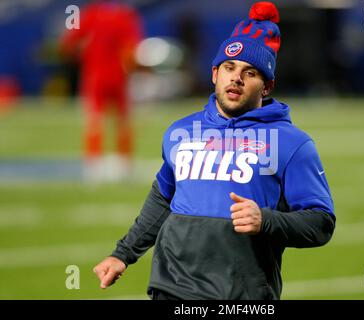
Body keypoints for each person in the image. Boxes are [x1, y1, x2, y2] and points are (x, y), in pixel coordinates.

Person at [93, 1, 335, 300]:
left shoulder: (292, 144)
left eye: (250, 72)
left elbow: (321, 223)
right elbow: (163, 197)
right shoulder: (180, 132)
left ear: (267, 86)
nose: (236, 77)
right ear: (214, 74)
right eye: (229, 68)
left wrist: (266, 220)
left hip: (241, 295)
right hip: (171, 288)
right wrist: (123, 254)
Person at [60, 0, 144, 182]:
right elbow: (132, 49)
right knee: (123, 120)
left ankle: (94, 164)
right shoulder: (125, 15)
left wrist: (80, 56)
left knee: (94, 120)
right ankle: (124, 164)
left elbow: (69, 42)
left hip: (95, 75)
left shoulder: (90, 13)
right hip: (119, 76)